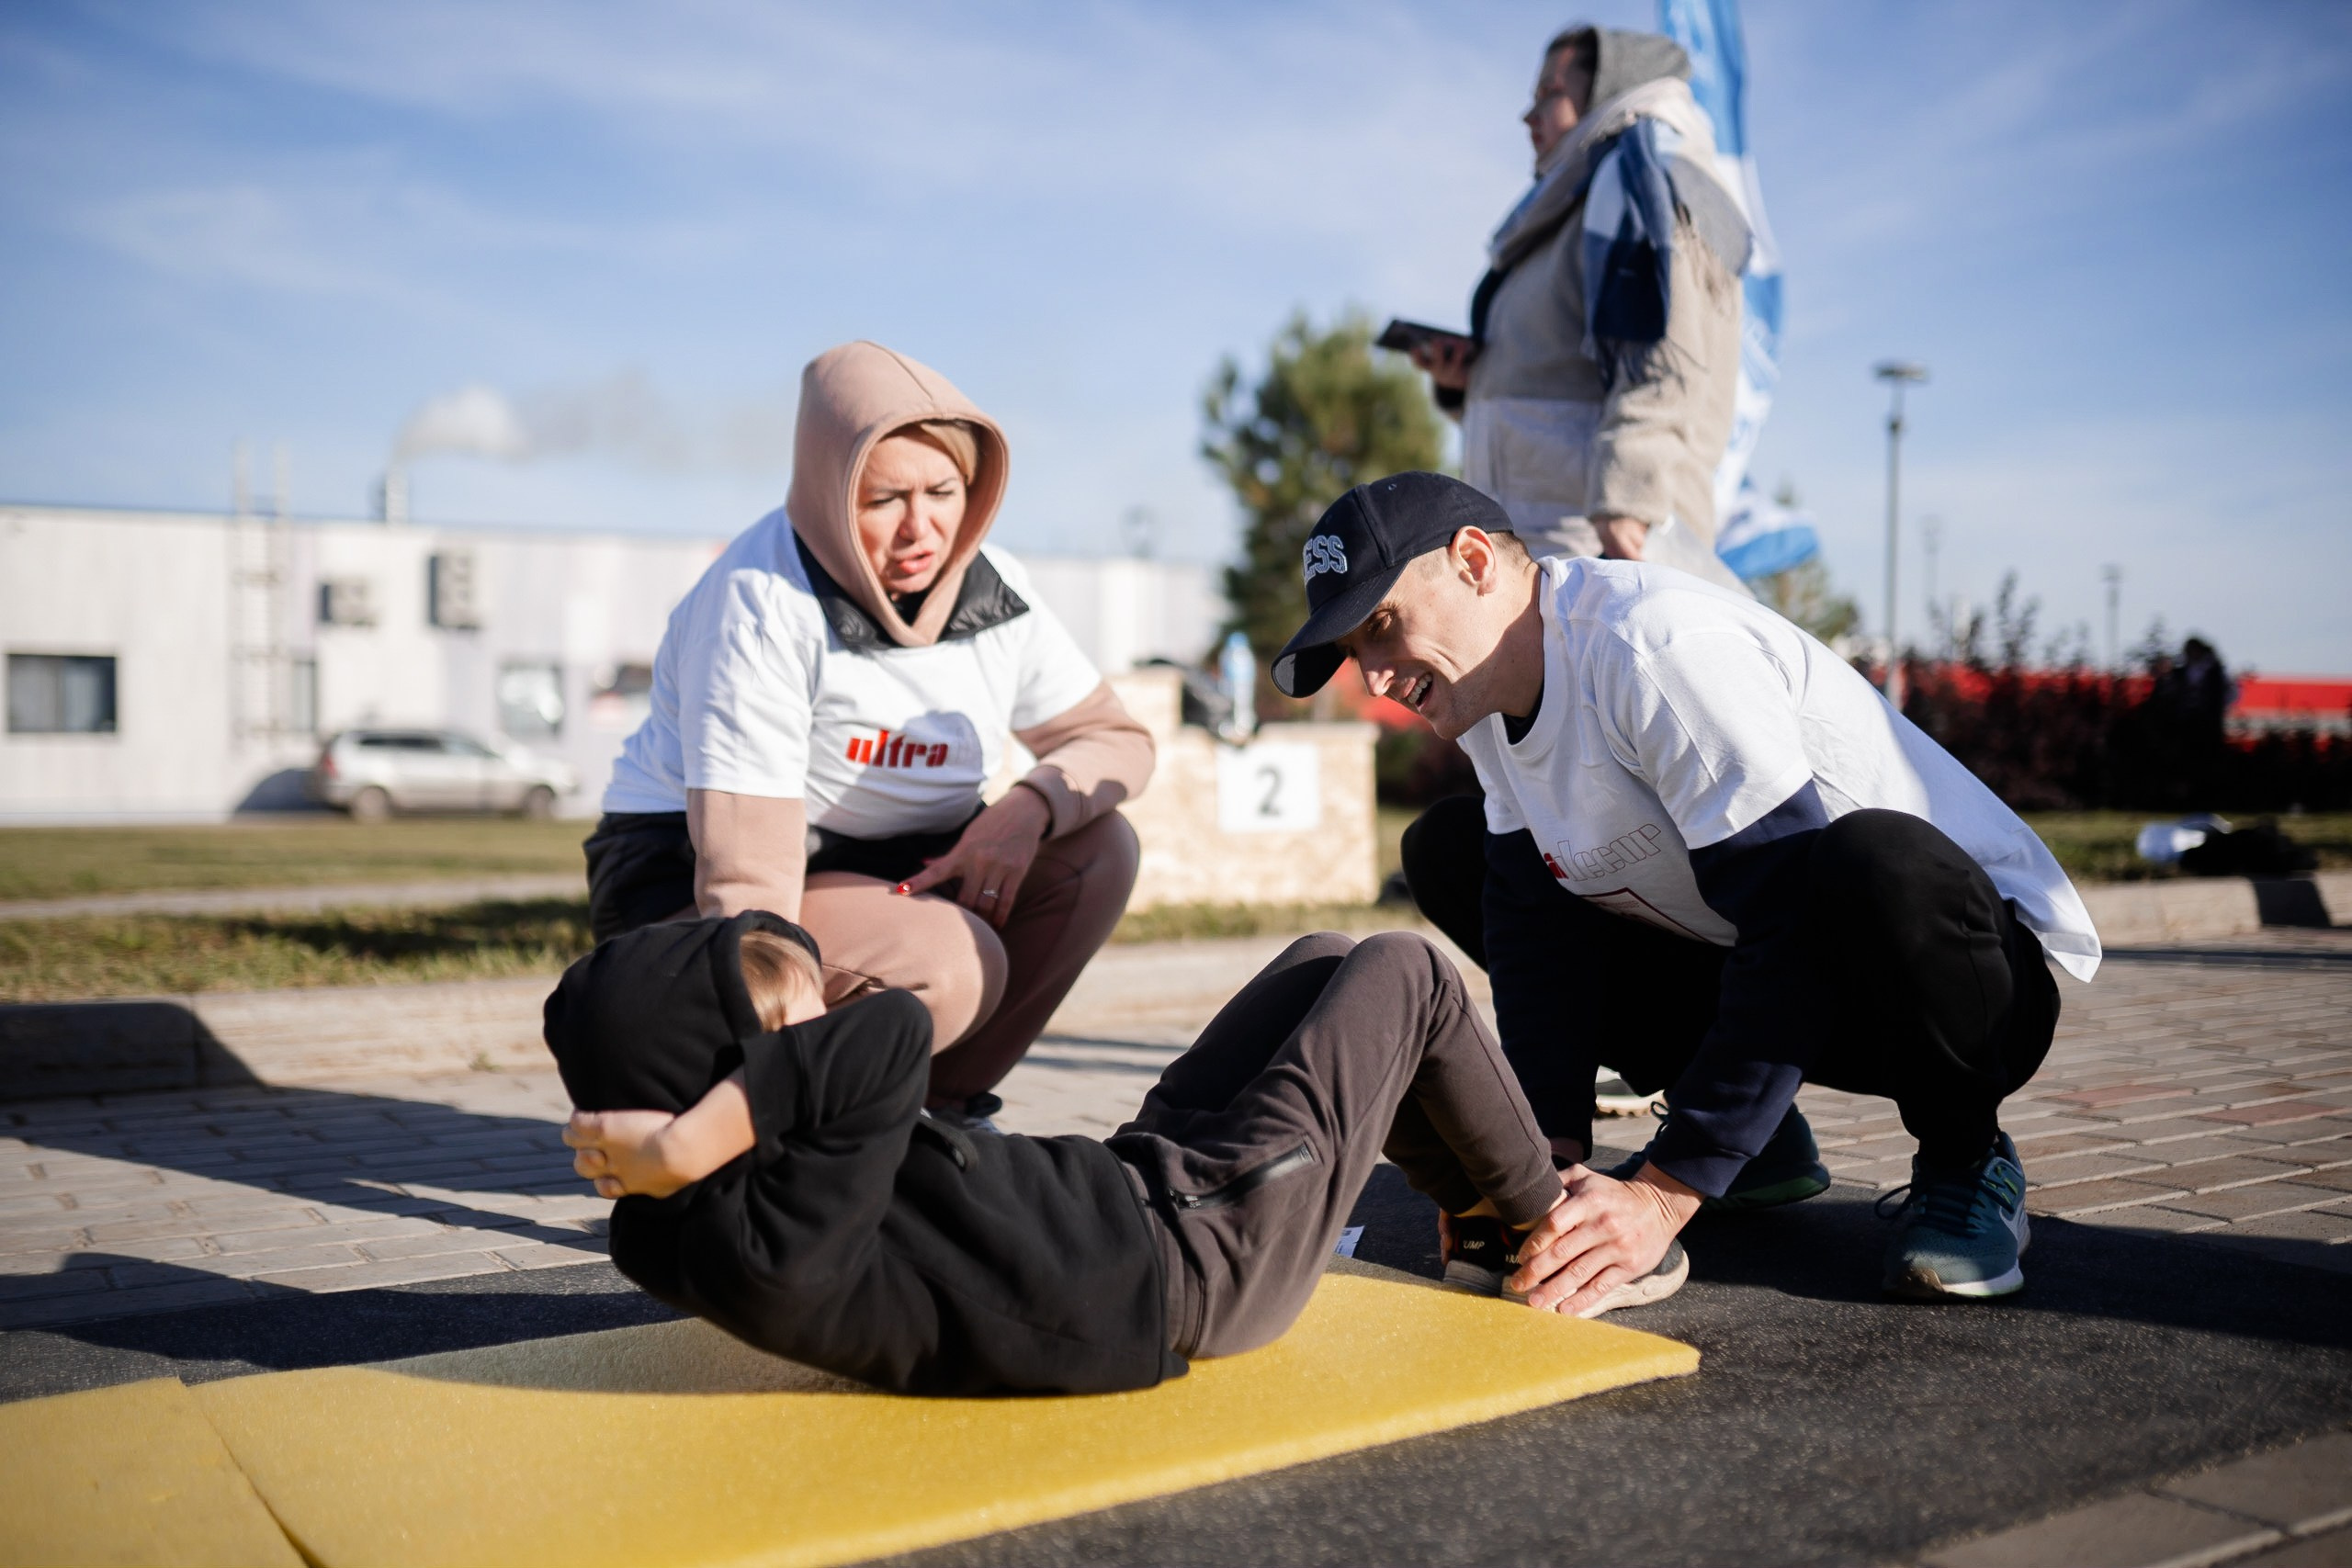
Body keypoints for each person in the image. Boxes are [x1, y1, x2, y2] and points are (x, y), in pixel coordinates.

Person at [1270, 473, 2103, 1308]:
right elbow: (1536, 934)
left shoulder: (1650, 646)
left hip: (1959, 990)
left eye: (1380, 626)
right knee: (1455, 855)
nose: (1374, 678)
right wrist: (1537, 1175)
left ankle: (1966, 1158)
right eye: (1354, 653)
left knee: (1869, 858)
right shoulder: (1488, 692)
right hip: (1786, 973)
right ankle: (1760, 1140)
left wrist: (1665, 1194)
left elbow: (1791, 921)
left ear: (1475, 560)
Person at [548, 912, 1661, 1397]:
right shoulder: (776, 1238)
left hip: (1143, 1186)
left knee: (1325, 965)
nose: (833, 1022)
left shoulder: (686, 1223)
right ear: (719, 1092)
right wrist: (698, 1134)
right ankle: (1549, 1226)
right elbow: (890, 1036)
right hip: (1207, 1250)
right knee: (1406, 971)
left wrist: (679, 1143)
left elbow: (851, 1057)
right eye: (798, 1033)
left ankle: (1470, 1206)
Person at [582, 341, 1153, 1125]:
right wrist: (756, 1081)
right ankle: (790, 1133)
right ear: (827, 491)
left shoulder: (999, 587)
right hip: (700, 889)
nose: (923, 528)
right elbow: (748, 886)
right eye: (884, 500)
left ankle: (937, 1115)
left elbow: (1117, 741)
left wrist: (1031, 803)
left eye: (944, 491)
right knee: (953, 964)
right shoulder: (758, 601)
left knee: (1100, 848)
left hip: (890, 876)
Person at [1409, 25, 1752, 592]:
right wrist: (1463, 386)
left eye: (1549, 92)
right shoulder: (1578, 202)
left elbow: (1671, 356)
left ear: (1608, 89)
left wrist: (1630, 500)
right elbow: (1559, 375)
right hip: (1543, 543)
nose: (1528, 115)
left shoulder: (1647, 179)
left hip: (1596, 551)